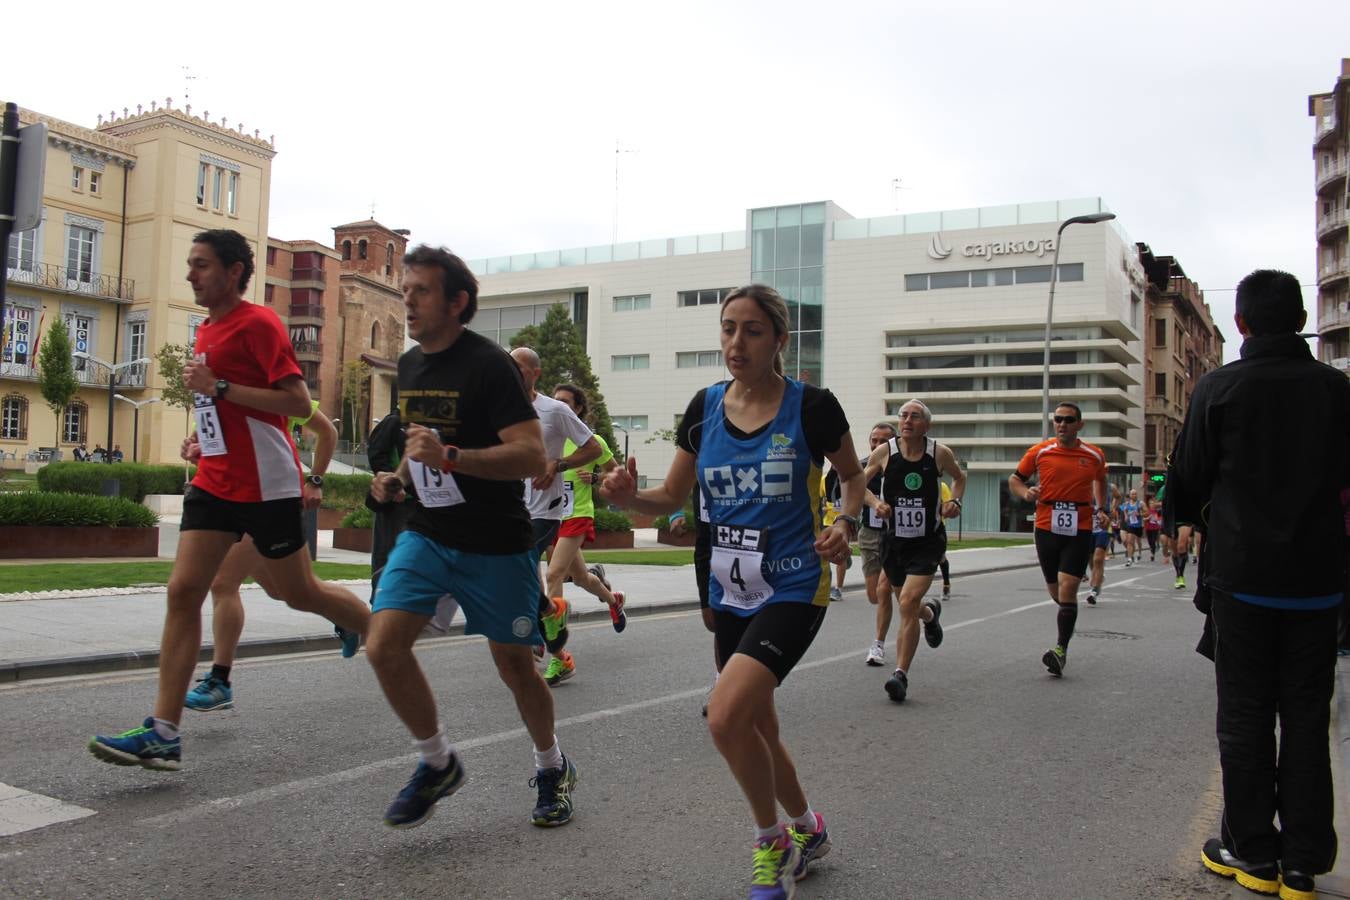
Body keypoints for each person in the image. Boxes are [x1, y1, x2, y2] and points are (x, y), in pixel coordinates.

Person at [604, 283, 862, 897]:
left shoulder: (812, 407)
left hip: (795, 584)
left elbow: (851, 477)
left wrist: (843, 523)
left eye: (750, 330)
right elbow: (669, 498)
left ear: (779, 339)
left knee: (724, 718)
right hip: (729, 589)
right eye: (727, 329)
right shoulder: (704, 409)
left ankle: (771, 841)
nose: (735, 342)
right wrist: (624, 499)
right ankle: (808, 827)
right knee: (759, 729)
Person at [87, 229, 371, 772]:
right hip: (216, 482)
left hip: (267, 485)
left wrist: (219, 390)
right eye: (190, 264)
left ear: (235, 271)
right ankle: (164, 733)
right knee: (183, 590)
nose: (191, 274)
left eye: (201, 265)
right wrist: (204, 438)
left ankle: (378, 633)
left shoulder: (259, 323)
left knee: (299, 591)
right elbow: (227, 409)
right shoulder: (206, 330)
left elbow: (295, 401)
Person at [363, 244, 578, 830]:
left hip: (496, 542)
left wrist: (452, 456)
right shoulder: (410, 366)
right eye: (405, 289)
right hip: (430, 532)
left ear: (457, 302)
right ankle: (437, 763)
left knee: (515, 668)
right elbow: (420, 441)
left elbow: (530, 454)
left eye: (421, 290)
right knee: (383, 644)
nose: (408, 299)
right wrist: (398, 479)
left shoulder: (489, 366)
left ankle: (551, 764)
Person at [1171, 270, 1349, 900]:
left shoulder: (1219, 388)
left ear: (1240, 324)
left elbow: (1187, 478)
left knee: (1245, 716)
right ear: (1302, 318)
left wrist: (1187, 526)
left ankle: (1254, 851)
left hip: (1243, 580)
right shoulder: (1337, 390)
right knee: (1306, 717)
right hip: (1320, 583)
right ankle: (1303, 861)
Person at [182, 399, 344, 712]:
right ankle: (345, 617)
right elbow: (211, 449)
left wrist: (316, 480)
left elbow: (328, 433)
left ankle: (220, 680)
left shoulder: (273, 389)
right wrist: (193, 448)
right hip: (228, 503)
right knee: (285, 590)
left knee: (222, 583)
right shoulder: (209, 398)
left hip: (266, 500)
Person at [508, 348, 605, 687]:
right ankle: (555, 636)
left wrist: (557, 464)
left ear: (535, 373)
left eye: (518, 367)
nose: (511, 372)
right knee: (517, 573)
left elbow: (593, 448)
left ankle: (544, 621)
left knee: (519, 565)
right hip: (509, 506)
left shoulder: (555, 410)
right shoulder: (500, 408)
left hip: (545, 510)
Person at [862, 399, 964, 703]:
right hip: (893, 541)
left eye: (914, 416)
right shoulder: (885, 452)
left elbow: (960, 477)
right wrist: (874, 503)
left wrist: (955, 502)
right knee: (907, 603)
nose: (907, 420)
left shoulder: (938, 453)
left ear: (926, 425)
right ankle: (930, 615)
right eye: (903, 415)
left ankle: (900, 675)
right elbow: (858, 483)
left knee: (906, 602)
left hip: (927, 541)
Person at [1008, 402, 1108, 677]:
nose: (1062, 424)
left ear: (1079, 424)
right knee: (1057, 592)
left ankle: (1060, 650)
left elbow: (1101, 481)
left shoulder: (1094, 455)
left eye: (1068, 420)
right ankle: (1068, 613)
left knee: (1068, 587)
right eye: (1058, 420)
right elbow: (1015, 479)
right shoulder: (1040, 452)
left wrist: (1102, 508)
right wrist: (1026, 493)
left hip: (1080, 526)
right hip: (1046, 525)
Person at [544, 383, 626, 643]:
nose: (559, 405)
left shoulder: (593, 441)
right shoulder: (549, 437)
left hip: (577, 514)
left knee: (553, 574)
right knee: (579, 578)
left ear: (578, 408)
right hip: (551, 516)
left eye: (565, 402)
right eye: (555, 400)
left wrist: (594, 476)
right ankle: (614, 600)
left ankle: (554, 640)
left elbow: (616, 473)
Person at [860, 422, 897, 667]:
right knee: (874, 595)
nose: (877, 445)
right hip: (871, 534)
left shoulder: (904, 465)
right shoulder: (864, 466)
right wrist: (875, 504)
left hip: (898, 536)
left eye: (883, 441)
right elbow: (853, 488)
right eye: (874, 440)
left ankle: (878, 645)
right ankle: (927, 613)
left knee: (885, 591)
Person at [1085, 484, 1121, 605]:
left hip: (1103, 528)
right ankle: (1097, 578)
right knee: (1091, 561)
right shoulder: (1083, 484)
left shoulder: (1109, 486)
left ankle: (1094, 591)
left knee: (1098, 559)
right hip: (1087, 529)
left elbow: (1118, 496)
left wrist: (1112, 508)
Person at [820, 464, 851, 601]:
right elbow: (818, 498)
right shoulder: (824, 479)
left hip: (843, 524)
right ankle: (826, 586)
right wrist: (822, 509)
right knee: (825, 556)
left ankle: (838, 589)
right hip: (828, 523)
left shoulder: (850, 478)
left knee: (840, 557)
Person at [1120, 488, 1143, 566]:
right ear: (1130, 495)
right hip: (1131, 525)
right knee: (1130, 541)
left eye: (1135, 494)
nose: (1134, 495)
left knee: (1138, 541)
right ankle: (1129, 559)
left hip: (1139, 526)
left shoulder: (1140, 504)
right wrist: (1126, 516)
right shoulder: (1126, 504)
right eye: (1132, 494)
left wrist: (1139, 514)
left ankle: (1139, 552)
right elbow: (1124, 510)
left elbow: (1147, 512)